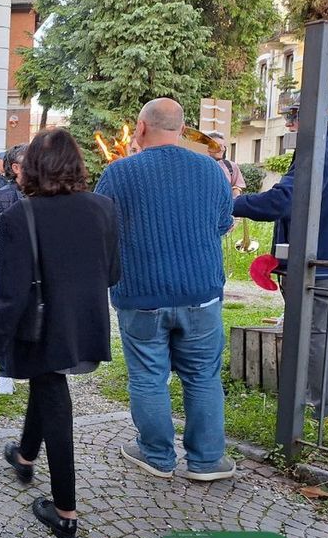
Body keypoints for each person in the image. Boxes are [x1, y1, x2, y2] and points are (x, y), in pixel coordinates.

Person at [0, 128, 119, 538]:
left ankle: (64, 511)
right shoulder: (103, 207)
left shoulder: (21, 215)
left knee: (54, 397)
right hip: (85, 318)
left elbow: (12, 292)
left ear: (34, 167)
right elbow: (113, 272)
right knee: (47, 382)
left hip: (42, 324)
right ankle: (25, 456)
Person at [96, 98, 236, 481]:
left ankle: (156, 455)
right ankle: (207, 461)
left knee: (147, 376)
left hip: (140, 294)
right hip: (201, 293)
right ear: (183, 130)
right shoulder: (212, 171)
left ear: (140, 128)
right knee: (203, 376)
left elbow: (102, 228)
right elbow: (222, 223)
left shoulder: (118, 173)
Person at [233, 107, 328, 416]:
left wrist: (231, 203)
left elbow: (284, 201)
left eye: (295, 116)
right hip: (323, 260)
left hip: (317, 265)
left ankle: (319, 411)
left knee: (315, 336)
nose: (290, 124)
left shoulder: (320, 147)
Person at [0, 144, 26, 394]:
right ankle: (6, 372)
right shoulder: (1, 197)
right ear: (16, 167)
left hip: (35, 273)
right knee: (7, 319)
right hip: (6, 271)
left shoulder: (44, 194)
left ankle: (27, 365)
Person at [207, 131, 245, 197]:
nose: (222, 149)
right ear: (207, 147)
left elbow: (237, 186)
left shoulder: (231, 166)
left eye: (223, 146)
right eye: (218, 146)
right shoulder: (197, 166)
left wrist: (235, 198)